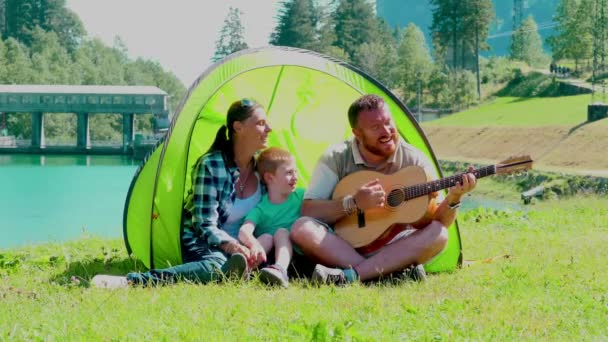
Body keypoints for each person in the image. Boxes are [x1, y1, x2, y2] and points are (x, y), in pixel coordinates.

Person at [290, 94, 477, 285]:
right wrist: (353, 203)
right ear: (358, 134)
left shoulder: (415, 161)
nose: (386, 131)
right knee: (302, 228)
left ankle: (351, 276)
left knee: (439, 234)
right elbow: (309, 211)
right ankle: (386, 273)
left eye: (388, 122)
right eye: (375, 127)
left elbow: (439, 221)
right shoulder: (335, 157)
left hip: (393, 247)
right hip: (342, 246)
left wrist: (455, 196)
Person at [92, 98, 272, 288]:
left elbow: (275, 209)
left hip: (245, 245)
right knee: (215, 264)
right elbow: (204, 224)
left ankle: (237, 271)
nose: (269, 128)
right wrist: (233, 246)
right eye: (261, 123)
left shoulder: (264, 169)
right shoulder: (212, 165)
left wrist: (255, 245)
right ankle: (133, 281)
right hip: (206, 240)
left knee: (281, 253)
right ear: (238, 127)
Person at [237, 147, 303, 288]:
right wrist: (253, 244)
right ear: (269, 178)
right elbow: (244, 231)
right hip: (266, 261)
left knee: (281, 232)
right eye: (289, 172)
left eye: (296, 171)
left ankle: (280, 270)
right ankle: (243, 268)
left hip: (297, 259)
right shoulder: (261, 208)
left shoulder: (302, 196)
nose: (296, 176)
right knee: (266, 237)